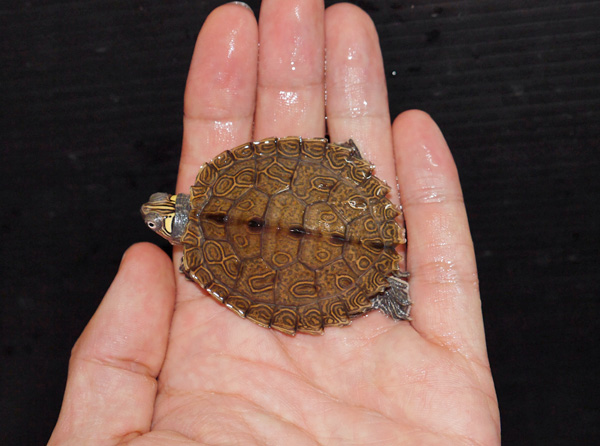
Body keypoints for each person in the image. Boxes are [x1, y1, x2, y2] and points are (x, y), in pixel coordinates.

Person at [48, 1, 500, 444]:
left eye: (161, 207)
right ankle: (376, 265)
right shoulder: (220, 182)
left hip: (337, 234)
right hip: (341, 207)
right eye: (160, 219)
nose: (158, 211)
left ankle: (382, 286)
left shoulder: (205, 262)